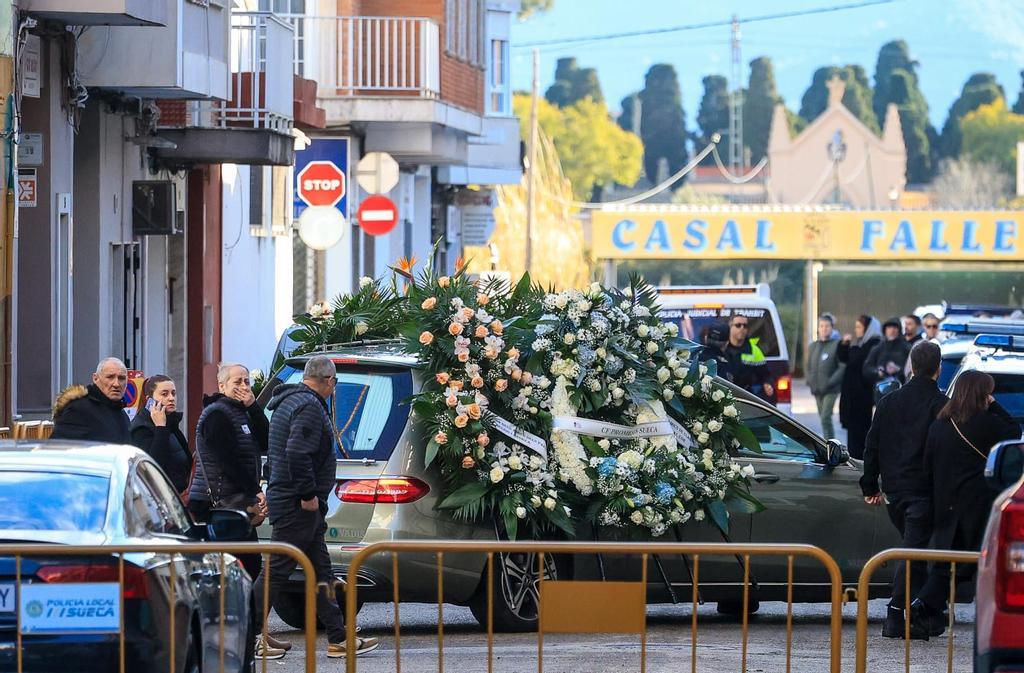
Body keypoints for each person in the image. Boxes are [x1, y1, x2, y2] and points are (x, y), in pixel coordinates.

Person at [254, 356, 379, 659]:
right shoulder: (309, 406)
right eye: (335, 383)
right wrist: (308, 494)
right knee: (276, 571)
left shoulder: (288, 402)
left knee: (321, 572)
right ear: (329, 381)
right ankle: (248, 636)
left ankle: (338, 637)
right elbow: (297, 452)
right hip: (299, 505)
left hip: (294, 502)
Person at [906, 371, 1021, 639]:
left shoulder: (940, 424)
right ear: (981, 394)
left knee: (950, 562)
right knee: (964, 563)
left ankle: (929, 609)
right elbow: (1013, 431)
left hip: (944, 504)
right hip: (975, 505)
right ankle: (924, 604)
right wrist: (994, 405)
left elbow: (928, 467)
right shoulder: (986, 423)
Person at [860, 341, 948, 638]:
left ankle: (920, 614)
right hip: (924, 493)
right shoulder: (940, 405)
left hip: (894, 492)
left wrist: (870, 484)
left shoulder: (889, 402)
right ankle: (896, 614)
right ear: (939, 368)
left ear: (911, 366)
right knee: (913, 554)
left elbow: (872, 445)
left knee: (915, 552)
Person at [189, 363, 269, 579]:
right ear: (222, 385)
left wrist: (253, 406)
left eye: (246, 381)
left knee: (248, 564)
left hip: (236, 500)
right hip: (218, 503)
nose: (243, 386)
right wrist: (255, 490)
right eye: (237, 382)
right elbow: (228, 459)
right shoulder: (217, 414)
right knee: (239, 565)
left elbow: (266, 440)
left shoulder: (241, 412)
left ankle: (242, 610)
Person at [130, 375, 191, 494]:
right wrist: (160, 428)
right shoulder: (141, 428)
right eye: (164, 394)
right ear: (149, 400)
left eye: (173, 393)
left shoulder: (171, 423)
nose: (171, 398)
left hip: (178, 496)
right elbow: (152, 468)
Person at [51, 357, 131, 443]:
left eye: (121, 378)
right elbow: (61, 448)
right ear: (95, 378)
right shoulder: (78, 409)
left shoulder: (121, 413)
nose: (116, 384)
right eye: (110, 377)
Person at [838, 315, 882, 458]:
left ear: (868, 329)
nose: (856, 330)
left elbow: (855, 362)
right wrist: (844, 345)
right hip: (853, 398)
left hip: (861, 398)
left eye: (859, 327)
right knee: (853, 435)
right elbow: (845, 358)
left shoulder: (873, 345)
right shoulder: (862, 344)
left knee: (859, 436)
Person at [806, 313, 845, 439]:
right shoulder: (813, 346)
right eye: (821, 326)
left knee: (825, 417)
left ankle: (831, 445)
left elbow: (842, 366)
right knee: (822, 417)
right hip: (817, 389)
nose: (824, 328)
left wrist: (830, 381)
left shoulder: (837, 344)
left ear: (832, 328)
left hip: (831, 389)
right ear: (818, 328)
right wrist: (810, 381)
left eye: (827, 326)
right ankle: (828, 442)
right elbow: (808, 366)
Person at [724, 314, 773, 401]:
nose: (742, 328)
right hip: (725, 397)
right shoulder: (722, 348)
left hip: (748, 399)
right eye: (738, 325)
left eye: (745, 326)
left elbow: (765, 375)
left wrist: (767, 384)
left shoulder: (754, 351)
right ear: (730, 327)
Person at [862, 319, 912, 385]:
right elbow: (867, 368)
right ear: (885, 330)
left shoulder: (907, 348)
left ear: (899, 330)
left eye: (895, 327)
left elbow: (913, 370)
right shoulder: (877, 348)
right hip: (880, 387)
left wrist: (898, 370)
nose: (892, 330)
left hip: (902, 386)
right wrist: (878, 372)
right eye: (889, 327)